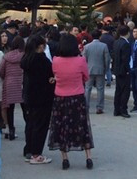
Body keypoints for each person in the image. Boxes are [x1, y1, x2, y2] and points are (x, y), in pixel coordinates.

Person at [47, 34, 94, 170]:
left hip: (60, 98)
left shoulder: (55, 61)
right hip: (77, 97)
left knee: (62, 127)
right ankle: (88, 157)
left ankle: (65, 159)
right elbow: (86, 77)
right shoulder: (81, 60)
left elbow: (56, 75)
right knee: (82, 126)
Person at [20, 35, 55, 164]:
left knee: (30, 123)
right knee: (41, 125)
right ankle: (36, 154)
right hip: (43, 96)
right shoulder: (41, 60)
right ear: (40, 46)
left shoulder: (26, 59)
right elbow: (50, 75)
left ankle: (28, 149)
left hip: (29, 95)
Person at [0, 36, 24, 141]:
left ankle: (11, 130)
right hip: (22, 82)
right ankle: (29, 127)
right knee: (25, 107)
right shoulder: (25, 55)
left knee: (10, 109)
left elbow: (1, 71)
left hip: (9, 82)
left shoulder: (6, 56)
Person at [82, 30, 111, 114]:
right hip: (100, 69)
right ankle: (99, 107)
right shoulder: (104, 46)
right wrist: (106, 68)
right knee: (100, 88)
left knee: (87, 89)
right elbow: (107, 59)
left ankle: (86, 107)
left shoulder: (87, 47)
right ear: (100, 37)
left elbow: (84, 59)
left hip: (89, 69)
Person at [112, 25, 132, 118]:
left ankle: (117, 110)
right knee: (125, 91)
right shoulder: (125, 44)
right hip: (124, 70)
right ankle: (123, 109)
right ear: (128, 33)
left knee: (118, 90)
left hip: (117, 69)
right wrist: (128, 70)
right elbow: (125, 59)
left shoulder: (116, 42)